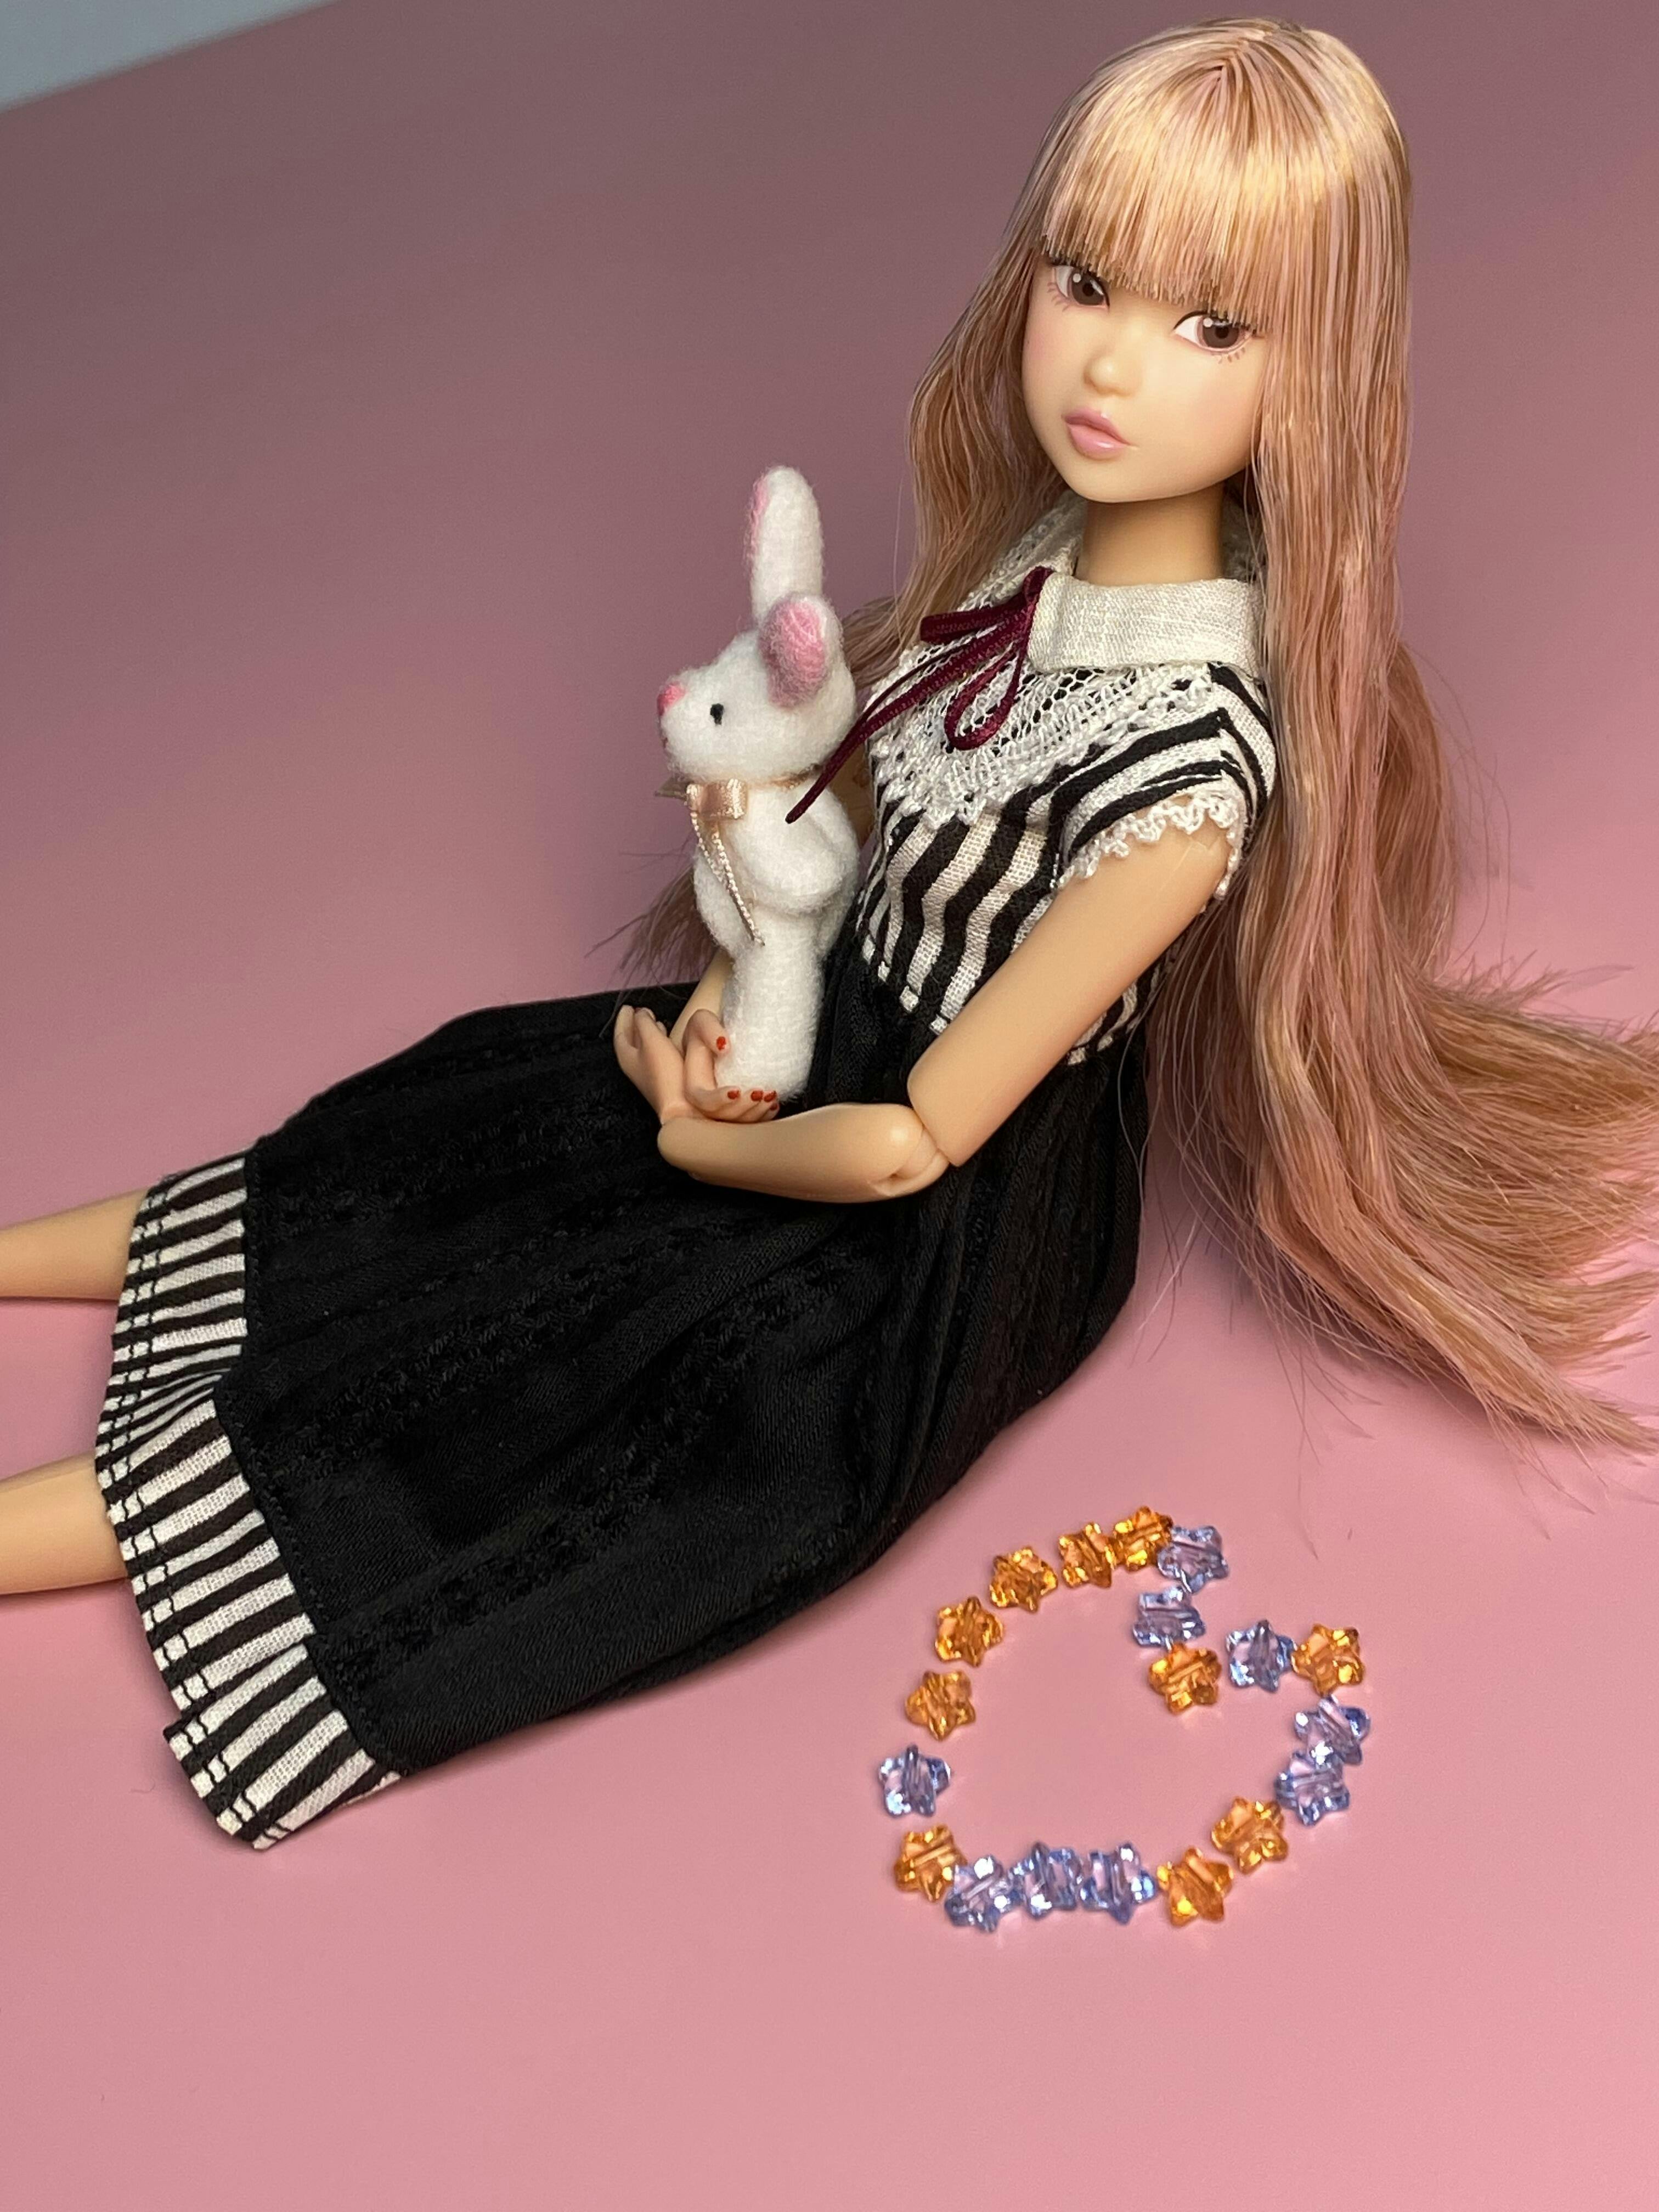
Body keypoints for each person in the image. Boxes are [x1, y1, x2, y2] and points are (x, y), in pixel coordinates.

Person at [4, 18, 1656, 1849]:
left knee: (533, 1370)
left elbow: (924, 1140)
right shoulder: (1032, 564)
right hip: (826, 1029)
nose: (1112, 363)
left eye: (1211, 326)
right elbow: (850, 849)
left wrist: (713, 1142)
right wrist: (737, 987)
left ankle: (139, 1523)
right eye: (1085, 281)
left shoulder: (1190, 776)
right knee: (459, 1129)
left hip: (937, 1218)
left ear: (1314, 371)